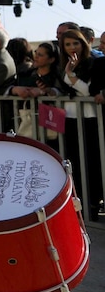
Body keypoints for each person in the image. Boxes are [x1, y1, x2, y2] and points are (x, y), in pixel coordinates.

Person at [57, 28, 103, 218]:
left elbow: (88, 92)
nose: (72, 47)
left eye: (75, 43)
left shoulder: (93, 62)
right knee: (73, 160)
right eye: (67, 44)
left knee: (92, 161)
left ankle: (92, 203)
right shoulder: (64, 64)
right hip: (69, 118)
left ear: (83, 43)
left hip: (90, 118)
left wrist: (71, 75)